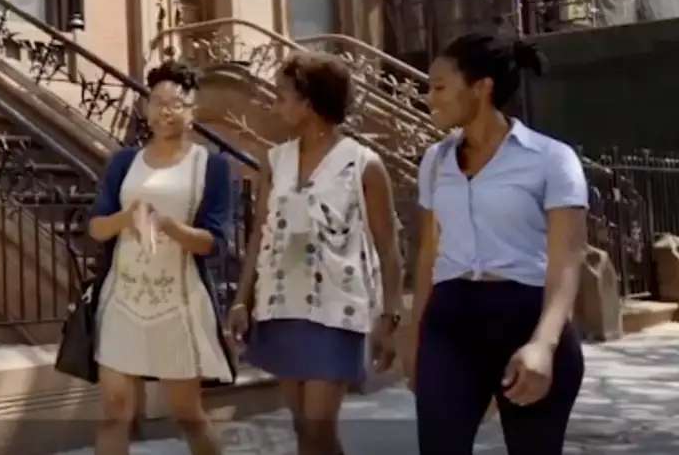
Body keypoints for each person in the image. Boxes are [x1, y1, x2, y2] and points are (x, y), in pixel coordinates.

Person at [409, 33, 587, 454]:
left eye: (438, 87)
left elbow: (567, 260)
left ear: (481, 87)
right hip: (450, 323)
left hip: (525, 316)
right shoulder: (433, 161)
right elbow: (428, 254)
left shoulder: (551, 159)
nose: (428, 97)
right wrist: (414, 335)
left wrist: (544, 344)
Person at [228, 52, 404, 455]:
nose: (276, 105)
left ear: (309, 102)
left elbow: (388, 246)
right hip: (281, 303)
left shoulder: (364, 164)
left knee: (319, 427)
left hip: (337, 308)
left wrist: (390, 315)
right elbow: (260, 232)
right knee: (303, 429)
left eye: (283, 96)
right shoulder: (276, 160)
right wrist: (242, 299)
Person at [88, 60, 236, 455]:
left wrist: (169, 227)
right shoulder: (124, 162)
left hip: (179, 302)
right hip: (123, 298)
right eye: (156, 101)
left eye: (176, 103)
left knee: (188, 413)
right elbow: (96, 227)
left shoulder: (213, 167)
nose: (165, 110)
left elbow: (216, 243)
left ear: (193, 111)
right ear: (145, 107)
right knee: (114, 411)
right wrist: (126, 217)